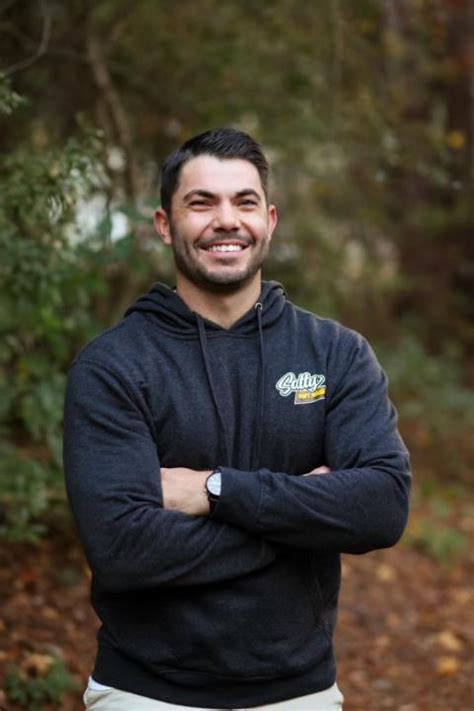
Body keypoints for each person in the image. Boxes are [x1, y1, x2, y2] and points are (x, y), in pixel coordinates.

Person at [63, 127, 411, 711]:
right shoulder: (113, 365)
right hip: (146, 692)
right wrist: (303, 518)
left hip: (299, 692)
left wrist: (215, 490)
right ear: (165, 224)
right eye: (201, 203)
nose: (227, 220)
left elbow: (382, 506)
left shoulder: (335, 353)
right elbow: (122, 549)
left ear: (269, 220)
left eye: (244, 202)